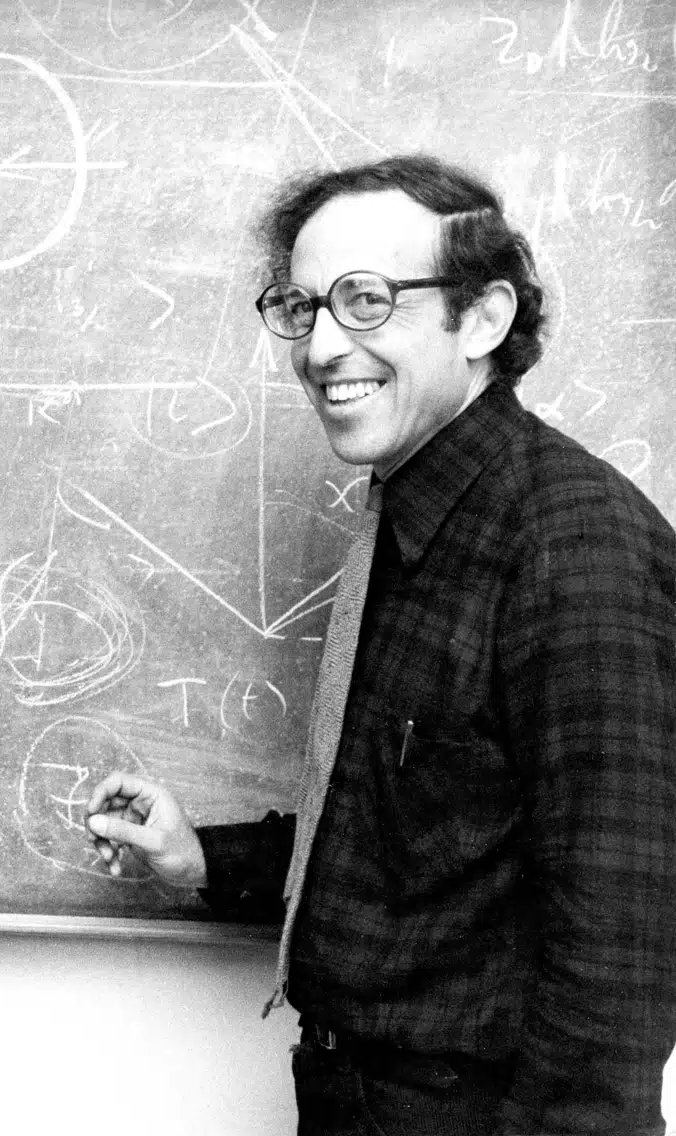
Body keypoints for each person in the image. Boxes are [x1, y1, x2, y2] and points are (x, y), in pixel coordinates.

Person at [85, 154, 676, 1135]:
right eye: (302, 306)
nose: (322, 346)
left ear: (482, 319)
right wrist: (203, 858)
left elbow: (620, 945)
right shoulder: (409, 519)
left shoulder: (574, 544)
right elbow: (410, 839)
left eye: (366, 300)